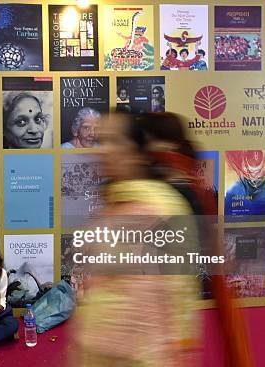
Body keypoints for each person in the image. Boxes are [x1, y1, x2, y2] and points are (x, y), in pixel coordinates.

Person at [75, 111, 201, 366]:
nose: (103, 150)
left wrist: (176, 348)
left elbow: (180, 293)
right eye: (101, 141)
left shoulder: (164, 208)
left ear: (137, 152)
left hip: (144, 356)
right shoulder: (109, 204)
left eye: (115, 141)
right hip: (98, 351)